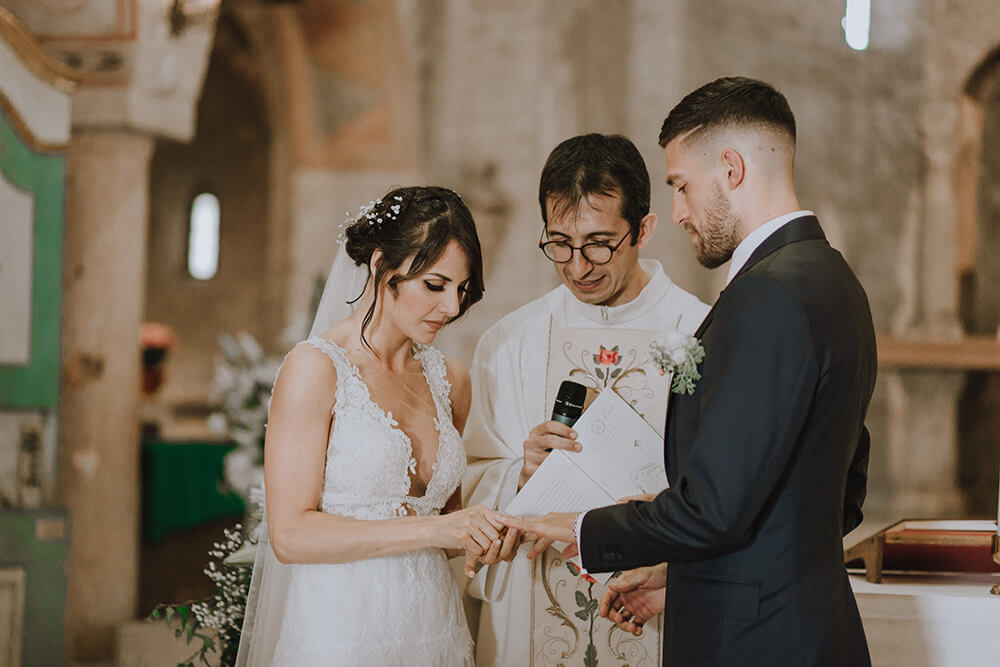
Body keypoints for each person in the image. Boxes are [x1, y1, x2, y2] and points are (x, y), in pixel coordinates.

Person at [500, 77, 877, 667]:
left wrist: (579, 526)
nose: (676, 213)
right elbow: (840, 496)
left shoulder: (767, 297)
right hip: (801, 625)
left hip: (754, 643)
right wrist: (682, 576)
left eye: (681, 186)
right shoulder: (834, 281)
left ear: (730, 169)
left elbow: (714, 507)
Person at [462, 133, 710, 667]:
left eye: (600, 243)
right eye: (559, 243)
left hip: (655, 602)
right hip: (532, 606)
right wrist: (518, 475)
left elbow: (721, 491)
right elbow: (468, 481)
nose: (578, 267)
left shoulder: (699, 330)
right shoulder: (508, 342)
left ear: (643, 229)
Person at [236, 186, 505, 667]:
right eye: (436, 285)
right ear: (383, 265)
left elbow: (450, 531)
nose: (451, 307)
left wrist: (493, 525)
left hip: (434, 633)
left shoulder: (453, 382)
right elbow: (290, 535)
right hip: (340, 634)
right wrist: (433, 531)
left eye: (462, 290)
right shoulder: (315, 369)